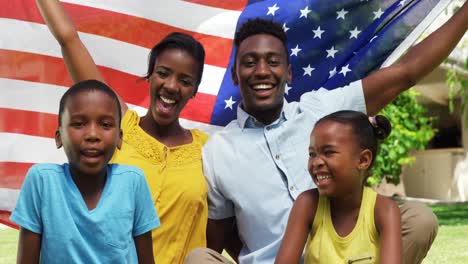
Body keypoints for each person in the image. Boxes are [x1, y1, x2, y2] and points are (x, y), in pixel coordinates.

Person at [189, 2, 468, 264]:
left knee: (419, 219)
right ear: (235, 75)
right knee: (199, 259)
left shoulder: (320, 108)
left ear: (289, 73)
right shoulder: (217, 151)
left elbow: (406, 73)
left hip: (345, 256)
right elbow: (220, 238)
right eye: (250, 62)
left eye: (273, 61)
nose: (262, 71)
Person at [36, 1, 209, 263]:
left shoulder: (207, 151)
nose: (172, 86)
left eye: (185, 81)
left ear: (195, 90)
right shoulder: (117, 126)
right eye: (163, 73)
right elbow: (69, 40)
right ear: (150, 76)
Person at [10, 80, 159, 264]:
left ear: (120, 138)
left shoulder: (133, 182)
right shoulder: (42, 182)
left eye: (105, 125)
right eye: (79, 124)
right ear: (59, 137)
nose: (92, 135)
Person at [275, 111, 401, 264]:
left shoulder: (384, 210)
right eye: (312, 154)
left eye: (328, 153)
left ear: (363, 160)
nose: (316, 162)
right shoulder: (307, 204)